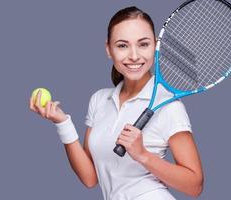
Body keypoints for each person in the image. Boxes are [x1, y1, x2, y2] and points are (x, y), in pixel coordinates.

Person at [30, 6, 203, 200]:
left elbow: (194, 186)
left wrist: (143, 155)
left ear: (155, 46)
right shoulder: (99, 100)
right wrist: (63, 123)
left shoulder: (169, 106)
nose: (134, 55)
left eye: (143, 44)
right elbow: (90, 178)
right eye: (122, 45)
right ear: (108, 49)